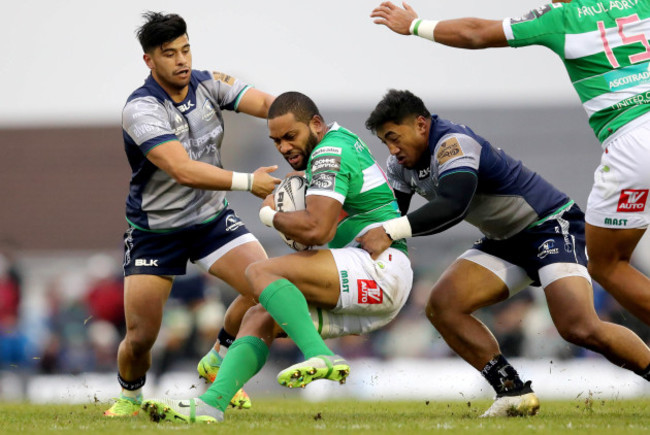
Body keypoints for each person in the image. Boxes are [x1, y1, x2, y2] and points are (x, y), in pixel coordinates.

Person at [357, 89, 650, 417]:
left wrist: (388, 232)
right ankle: (512, 392)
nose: (392, 150)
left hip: (549, 225)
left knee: (578, 327)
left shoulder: (452, 143)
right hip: (504, 240)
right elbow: (389, 220)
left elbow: (453, 205)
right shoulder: (400, 166)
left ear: (421, 125)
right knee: (443, 307)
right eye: (385, 142)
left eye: (395, 138)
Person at [370, 1, 650, 327]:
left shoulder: (563, 16)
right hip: (508, 238)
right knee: (449, 305)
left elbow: (476, 32)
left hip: (631, 142)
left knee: (607, 266)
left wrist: (416, 26)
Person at [139, 91, 414, 423]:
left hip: (379, 269)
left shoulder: (329, 152)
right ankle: (211, 404)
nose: (284, 147)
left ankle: (318, 356)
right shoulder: (337, 144)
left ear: (315, 124)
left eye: (290, 136)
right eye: (276, 141)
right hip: (373, 280)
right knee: (259, 315)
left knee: (258, 272)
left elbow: (317, 231)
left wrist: (270, 215)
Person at [104, 11, 281, 417]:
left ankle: (219, 359)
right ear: (149, 60)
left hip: (211, 222)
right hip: (156, 230)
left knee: (271, 290)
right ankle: (130, 394)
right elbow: (182, 170)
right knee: (141, 338)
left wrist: (313, 126)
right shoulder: (140, 109)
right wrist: (246, 183)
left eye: (185, 50)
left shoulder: (208, 82)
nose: (182, 60)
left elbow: (271, 105)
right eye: (170, 54)